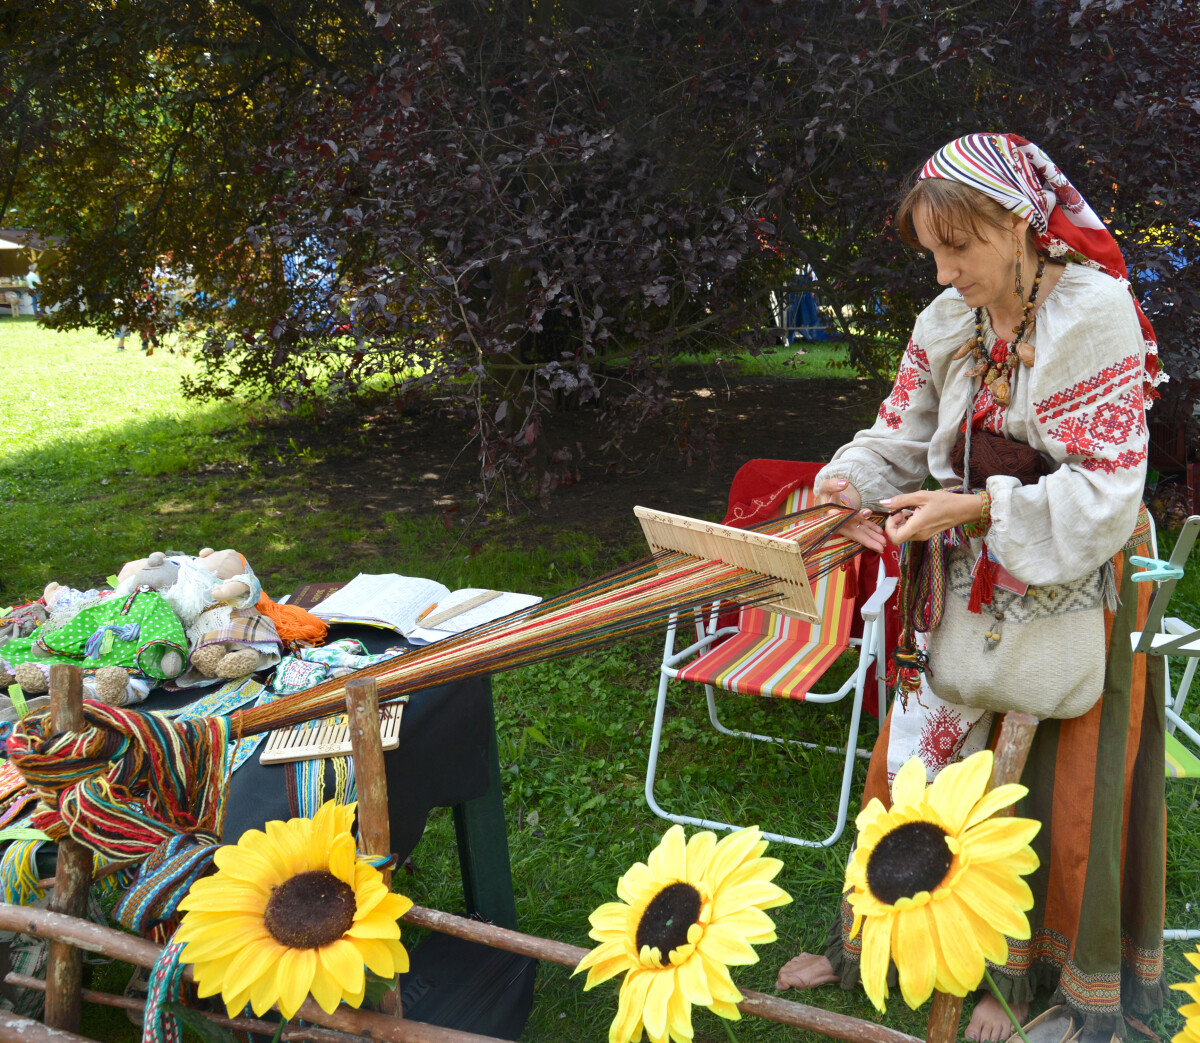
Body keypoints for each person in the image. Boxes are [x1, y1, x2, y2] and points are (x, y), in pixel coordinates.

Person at [774, 133, 1166, 1043]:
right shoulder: (948, 323)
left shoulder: (1092, 314)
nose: (946, 271)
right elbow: (898, 436)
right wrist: (850, 482)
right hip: (960, 586)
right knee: (918, 760)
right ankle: (882, 932)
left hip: (1071, 588)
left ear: (1021, 225)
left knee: (1038, 795)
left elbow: (1110, 487)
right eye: (933, 251)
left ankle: (1013, 983)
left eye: (962, 248)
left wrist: (976, 510)